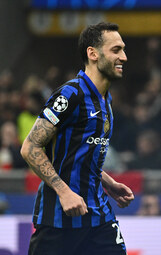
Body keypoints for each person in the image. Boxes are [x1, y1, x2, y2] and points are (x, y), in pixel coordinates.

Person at [21, 22, 134, 255]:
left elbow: (76, 153)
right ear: (93, 53)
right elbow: (30, 147)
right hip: (60, 219)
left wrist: (108, 183)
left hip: (99, 217)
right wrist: (64, 192)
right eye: (115, 50)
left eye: (123, 49)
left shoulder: (106, 101)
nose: (123, 56)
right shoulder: (70, 94)